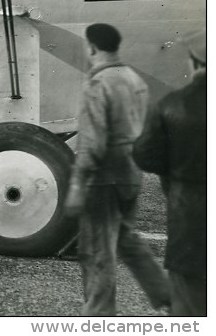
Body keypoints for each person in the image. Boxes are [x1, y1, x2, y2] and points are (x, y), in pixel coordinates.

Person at [65, 23, 170, 315]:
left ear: (92, 48)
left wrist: (77, 184)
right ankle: (167, 295)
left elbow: (93, 142)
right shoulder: (133, 78)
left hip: (103, 177)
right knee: (125, 238)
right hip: (130, 173)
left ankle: (98, 318)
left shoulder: (97, 83)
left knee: (97, 252)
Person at [133, 30, 206, 316]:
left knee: (189, 309)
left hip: (189, 223)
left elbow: (146, 156)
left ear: (194, 64)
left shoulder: (171, 105)